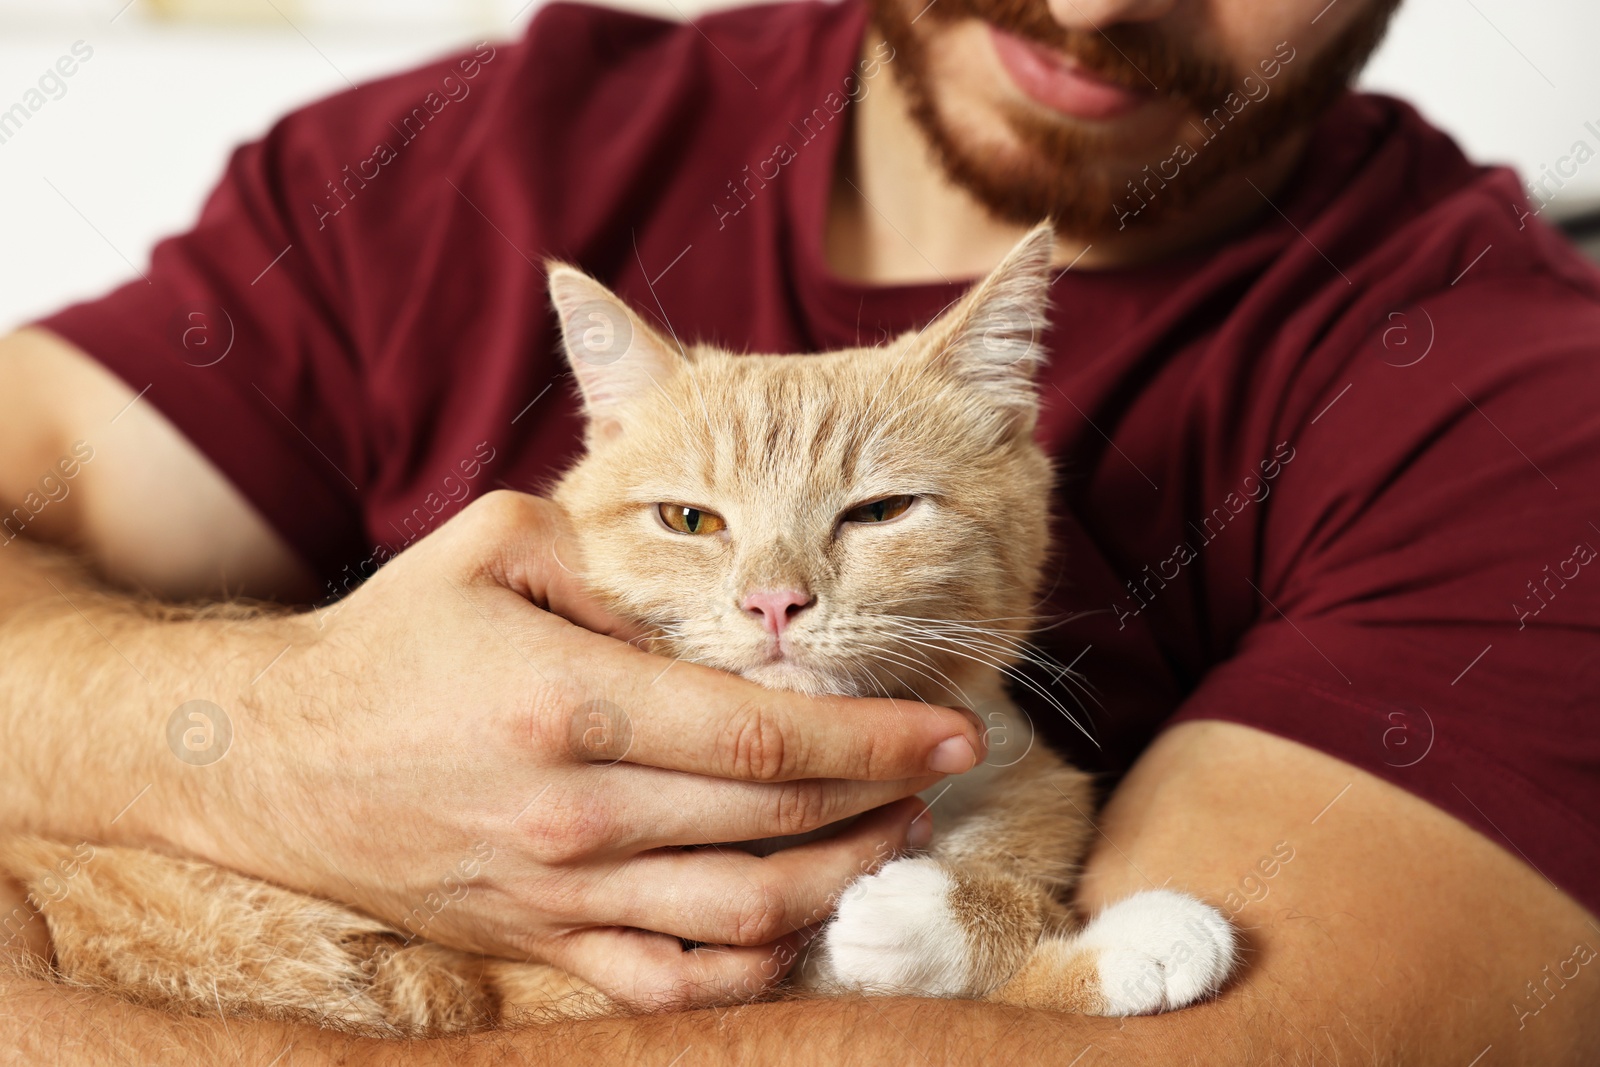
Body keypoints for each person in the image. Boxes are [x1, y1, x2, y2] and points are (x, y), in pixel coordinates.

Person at [2, 0, 1597, 1059]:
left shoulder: (1528, 413)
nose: (1104, 2)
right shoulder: (462, 156)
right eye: (696, 519)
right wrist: (254, 739)